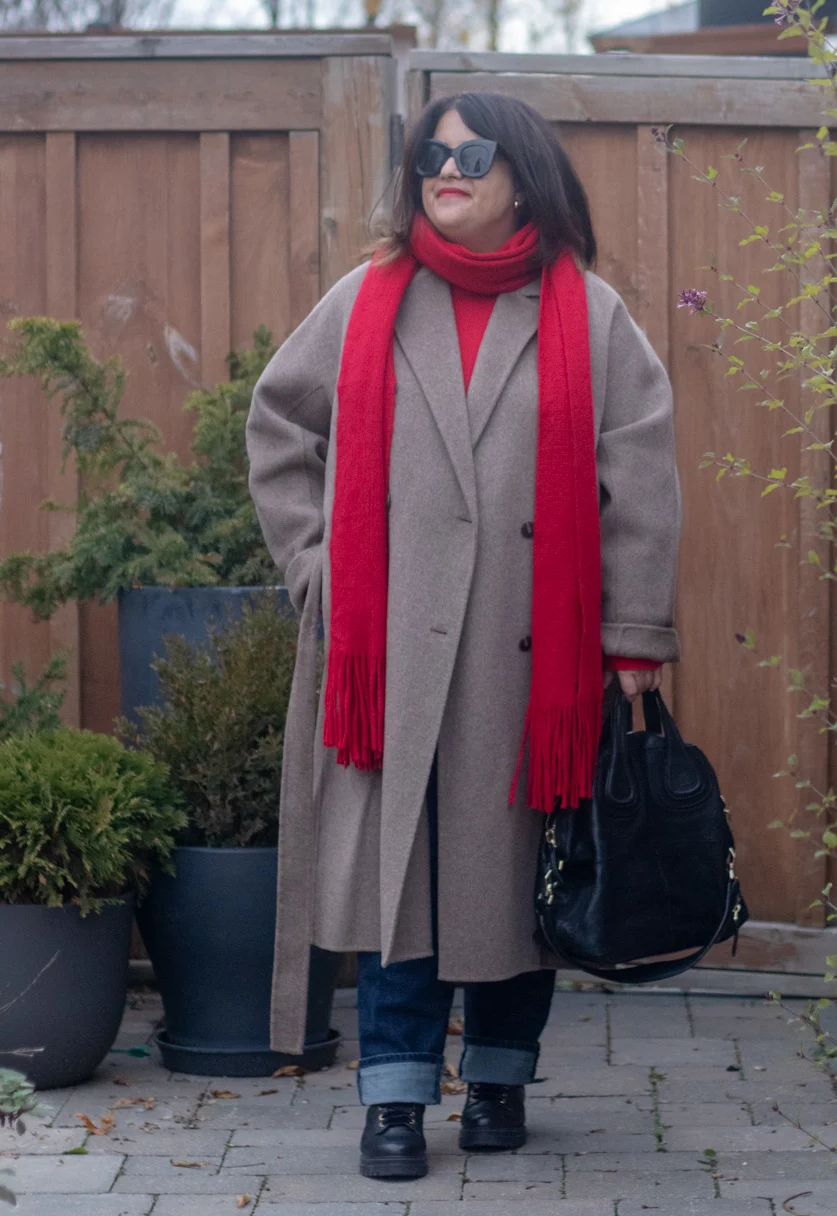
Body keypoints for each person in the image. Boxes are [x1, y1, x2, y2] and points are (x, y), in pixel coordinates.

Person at [246, 91, 682, 1181]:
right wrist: (316, 573)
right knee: (402, 884)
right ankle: (392, 1098)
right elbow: (278, 427)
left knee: (514, 879)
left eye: (473, 152)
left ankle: (497, 1077)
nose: (448, 167)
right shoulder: (366, 303)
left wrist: (631, 633)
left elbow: (639, 480)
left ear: (523, 172)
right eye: (431, 154)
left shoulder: (593, 317)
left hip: (531, 659)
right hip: (387, 655)